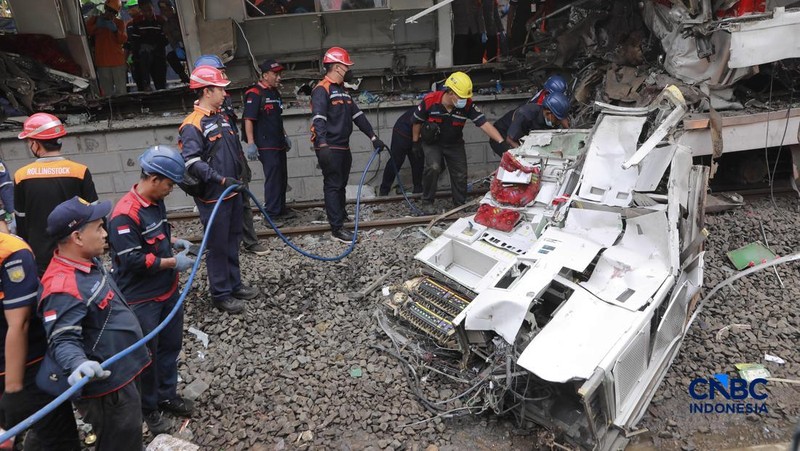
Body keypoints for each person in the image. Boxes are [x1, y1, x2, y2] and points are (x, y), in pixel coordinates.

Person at [39, 196, 150, 450]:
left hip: (122, 374)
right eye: (99, 227)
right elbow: (63, 339)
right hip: (108, 390)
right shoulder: (63, 287)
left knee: (129, 435)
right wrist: (78, 364)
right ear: (77, 237)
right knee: (118, 441)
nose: (105, 233)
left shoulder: (88, 261)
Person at [107, 145, 195, 435]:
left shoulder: (155, 202)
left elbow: (156, 237)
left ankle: (167, 394)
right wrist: (172, 261)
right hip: (142, 299)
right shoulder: (124, 215)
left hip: (166, 292)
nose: (171, 189)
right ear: (154, 178)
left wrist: (174, 242)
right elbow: (132, 259)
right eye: (169, 183)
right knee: (148, 357)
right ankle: (150, 409)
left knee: (170, 347)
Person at [179, 65, 258, 313]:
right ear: (206, 91)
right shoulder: (192, 124)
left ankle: (234, 285)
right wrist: (220, 180)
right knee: (218, 244)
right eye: (220, 89)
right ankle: (221, 293)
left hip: (232, 190)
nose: (225, 93)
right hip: (215, 196)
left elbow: (233, 151)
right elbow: (192, 162)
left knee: (233, 240)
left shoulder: (221, 117)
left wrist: (239, 177)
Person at [0, 232, 81, 450]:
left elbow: (20, 323)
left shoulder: (11, 252)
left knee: (57, 435)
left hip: (28, 368)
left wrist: (13, 389)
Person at [193, 54, 269, 256]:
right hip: (217, 172)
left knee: (241, 201)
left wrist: (241, 159)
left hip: (233, 158)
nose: (224, 76)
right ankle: (227, 249)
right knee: (223, 213)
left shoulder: (222, 102)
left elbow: (230, 134)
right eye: (220, 72)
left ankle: (246, 242)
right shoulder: (199, 118)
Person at [310, 47, 385, 243]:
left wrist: (373, 136)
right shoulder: (322, 89)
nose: (349, 69)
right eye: (346, 66)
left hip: (343, 146)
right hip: (330, 147)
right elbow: (318, 119)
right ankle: (337, 229)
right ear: (336, 67)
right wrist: (323, 144)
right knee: (333, 185)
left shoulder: (342, 91)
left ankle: (340, 215)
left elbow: (357, 115)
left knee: (341, 184)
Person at [14, 113, 99, 275]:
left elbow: (21, 223)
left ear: (35, 144)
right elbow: (94, 215)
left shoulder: (22, 176)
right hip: (78, 254)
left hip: (41, 261)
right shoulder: (80, 171)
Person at [412, 71, 504, 208]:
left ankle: (460, 203)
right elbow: (416, 122)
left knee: (460, 173)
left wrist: (501, 142)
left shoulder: (467, 105)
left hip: (454, 143)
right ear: (450, 92)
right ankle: (427, 202)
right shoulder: (430, 101)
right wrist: (415, 143)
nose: (464, 100)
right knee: (434, 167)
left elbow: (484, 124)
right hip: (433, 143)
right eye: (461, 96)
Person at [243, 59, 296, 221]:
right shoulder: (255, 93)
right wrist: (251, 143)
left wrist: (285, 136)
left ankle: (280, 209)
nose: (279, 77)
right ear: (265, 75)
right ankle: (271, 215)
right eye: (275, 74)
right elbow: (248, 119)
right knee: (273, 179)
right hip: (265, 145)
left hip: (278, 142)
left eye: (279, 74)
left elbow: (277, 118)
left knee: (281, 177)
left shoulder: (274, 93)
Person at [489, 91, 571, 156]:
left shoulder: (551, 117)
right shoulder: (526, 114)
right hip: (502, 136)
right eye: (557, 120)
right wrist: (527, 155)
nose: (558, 123)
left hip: (519, 135)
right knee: (517, 162)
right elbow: (510, 140)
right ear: (548, 113)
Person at [378, 107, 424, 196]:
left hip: (417, 134)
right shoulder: (429, 107)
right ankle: (384, 191)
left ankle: (418, 190)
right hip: (403, 131)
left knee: (418, 160)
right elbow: (418, 123)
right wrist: (415, 142)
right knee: (396, 161)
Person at [86, 0, 128, 96]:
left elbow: (123, 40)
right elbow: (87, 32)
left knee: (121, 92)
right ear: (105, 8)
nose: (110, 13)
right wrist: (96, 26)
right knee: (106, 92)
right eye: (109, 10)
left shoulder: (119, 23)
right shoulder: (94, 20)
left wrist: (115, 31)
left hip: (117, 62)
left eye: (113, 12)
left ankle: (122, 110)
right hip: (102, 62)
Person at [127, 0, 168, 91]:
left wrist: (153, 47)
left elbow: (165, 40)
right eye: (145, 11)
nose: (148, 13)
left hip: (158, 57)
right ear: (141, 10)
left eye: (150, 10)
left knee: (161, 85)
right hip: (141, 59)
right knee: (142, 85)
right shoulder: (136, 23)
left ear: (153, 8)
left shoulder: (160, 21)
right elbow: (134, 41)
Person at [158, 1, 189, 84]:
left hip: (192, 45)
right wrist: (177, 48)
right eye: (164, 10)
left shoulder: (183, 18)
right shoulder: (166, 26)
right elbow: (172, 41)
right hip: (183, 48)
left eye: (169, 9)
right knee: (171, 56)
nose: (168, 12)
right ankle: (184, 78)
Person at [452, 0, 486, 65]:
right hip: (460, 32)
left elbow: (480, 15)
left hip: (474, 32)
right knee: (460, 60)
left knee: (475, 59)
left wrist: (483, 31)